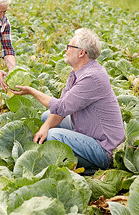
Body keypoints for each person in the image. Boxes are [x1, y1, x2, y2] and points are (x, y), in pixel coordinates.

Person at [12, 28, 125, 171]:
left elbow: (61, 107)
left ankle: (94, 169)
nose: (65, 50)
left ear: (81, 52)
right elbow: (60, 109)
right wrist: (44, 128)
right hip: (87, 132)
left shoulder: (92, 77)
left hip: (104, 147)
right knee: (46, 117)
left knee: (53, 136)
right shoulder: (76, 73)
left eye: (69, 47)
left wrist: (32, 91)